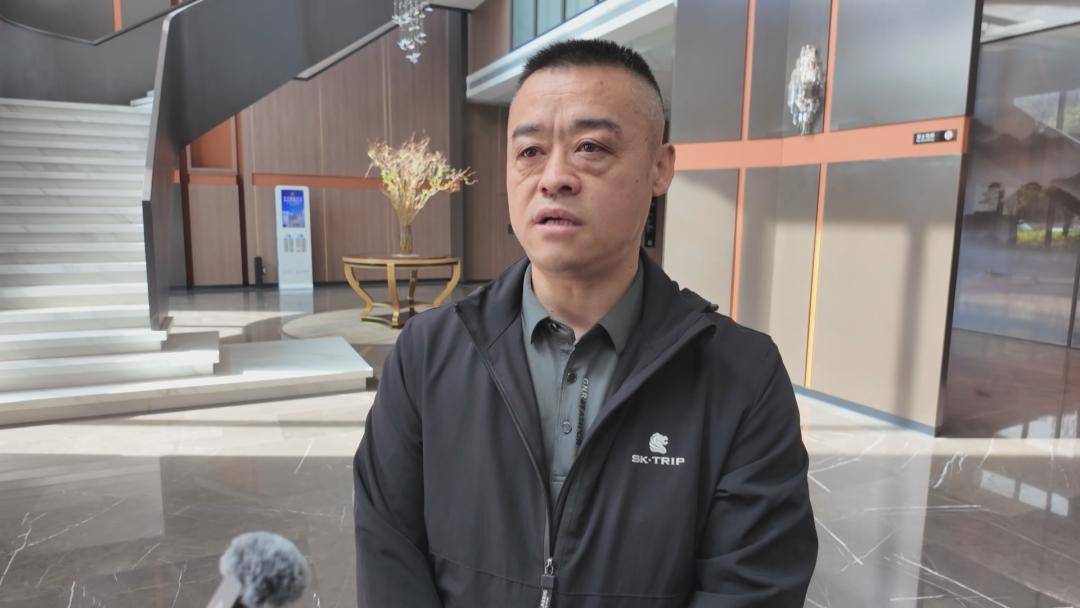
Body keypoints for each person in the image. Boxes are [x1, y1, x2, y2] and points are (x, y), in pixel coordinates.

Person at [353, 39, 818, 607]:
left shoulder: (741, 374)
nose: (554, 178)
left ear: (659, 168)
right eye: (529, 151)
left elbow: (753, 588)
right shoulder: (427, 353)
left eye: (590, 147)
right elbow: (389, 558)